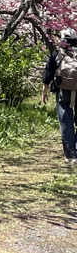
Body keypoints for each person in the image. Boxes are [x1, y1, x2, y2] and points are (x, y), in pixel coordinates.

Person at [42, 28, 77, 161]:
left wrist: (44, 91)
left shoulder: (57, 53)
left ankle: (71, 155)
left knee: (66, 122)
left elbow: (48, 72)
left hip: (62, 91)